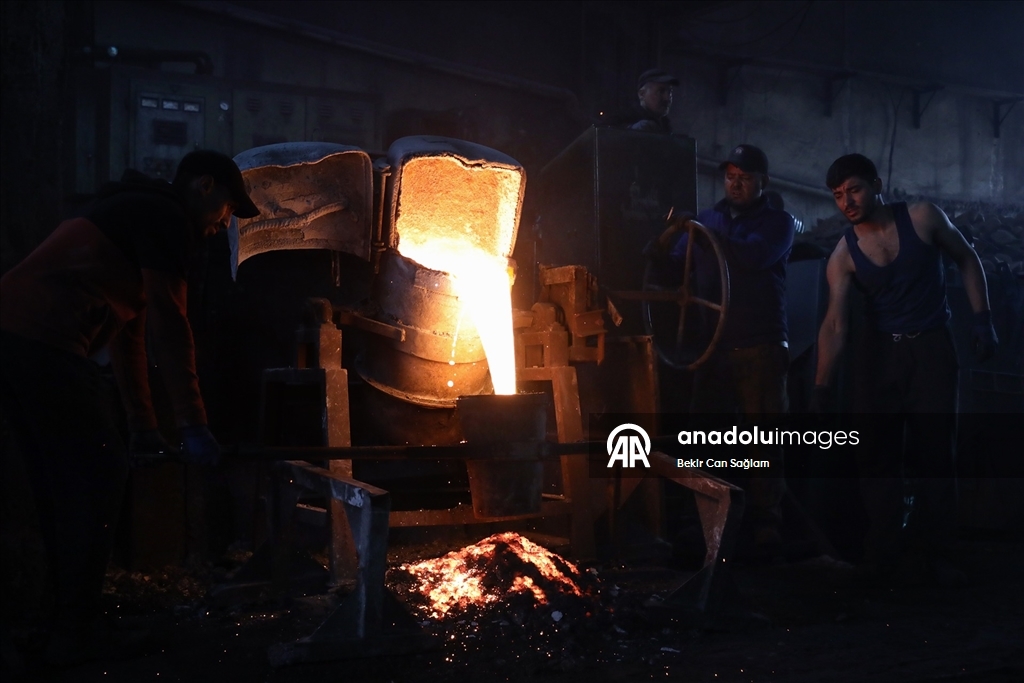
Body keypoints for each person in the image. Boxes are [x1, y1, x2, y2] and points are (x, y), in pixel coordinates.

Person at [0, 150, 259, 665]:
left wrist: (144, 425)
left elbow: (130, 336)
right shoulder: (167, 218)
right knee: (97, 477)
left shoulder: (133, 211)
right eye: (227, 210)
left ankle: (58, 621)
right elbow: (170, 323)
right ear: (204, 187)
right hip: (44, 342)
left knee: (62, 484)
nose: (222, 225)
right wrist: (193, 425)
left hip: (15, 339)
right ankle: (75, 633)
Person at [812, 153, 997, 586]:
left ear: (877, 184)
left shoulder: (921, 216)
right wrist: (821, 384)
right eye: (838, 196)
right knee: (876, 454)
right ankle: (883, 556)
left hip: (931, 347)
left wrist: (983, 319)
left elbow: (967, 258)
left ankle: (934, 556)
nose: (847, 202)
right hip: (880, 357)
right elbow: (835, 323)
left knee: (935, 453)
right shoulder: (843, 254)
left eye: (854, 189)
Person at [652, 144, 796, 555]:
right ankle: (704, 521)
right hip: (711, 349)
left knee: (763, 437)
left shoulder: (778, 223)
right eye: (731, 175)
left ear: (761, 182)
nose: (736, 183)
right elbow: (678, 264)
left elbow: (754, 256)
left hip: (760, 346)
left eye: (745, 177)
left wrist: (707, 235)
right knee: (706, 437)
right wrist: (661, 248)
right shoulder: (706, 220)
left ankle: (767, 524)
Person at [624, 68, 679, 134]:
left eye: (670, 92)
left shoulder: (665, 124)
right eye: (660, 91)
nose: (667, 98)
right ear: (642, 94)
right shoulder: (624, 119)